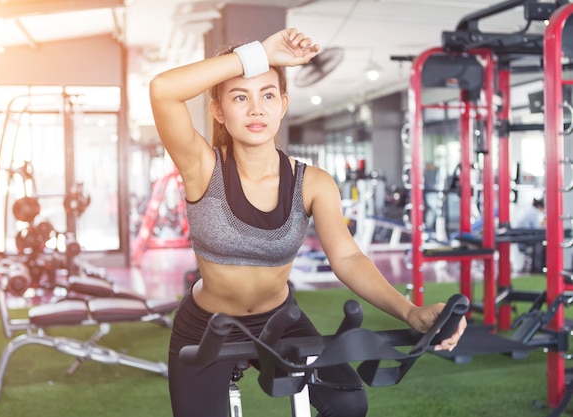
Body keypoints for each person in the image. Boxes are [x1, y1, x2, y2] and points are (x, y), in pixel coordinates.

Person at [149, 28, 466, 417]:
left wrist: (410, 311)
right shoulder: (203, 167)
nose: (255, 109)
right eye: (239, 97)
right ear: (218, 110)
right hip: (206, 326)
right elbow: (163, 89)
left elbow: (348, 257)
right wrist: (259, 54)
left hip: (280, 321)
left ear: (282, 105)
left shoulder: (312, 183)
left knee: (348, 403)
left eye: (267, 95)